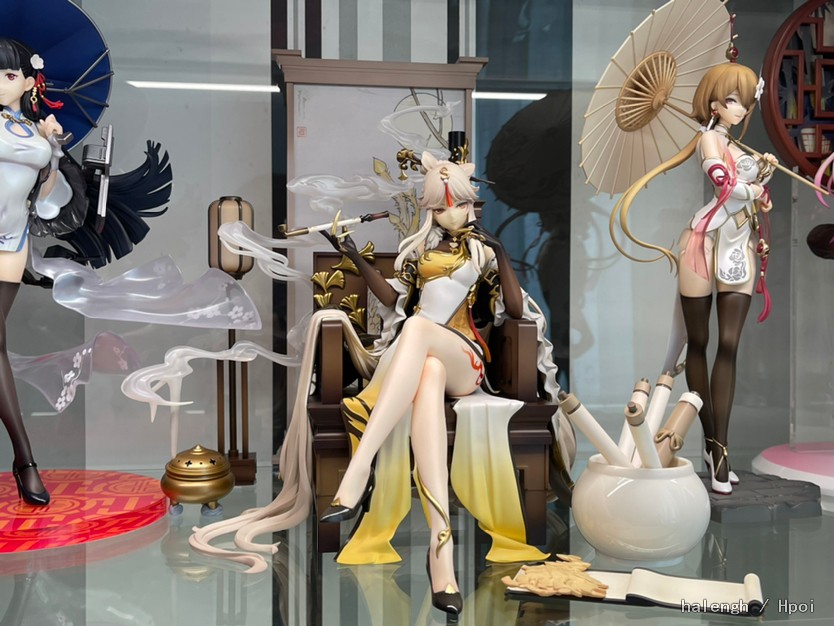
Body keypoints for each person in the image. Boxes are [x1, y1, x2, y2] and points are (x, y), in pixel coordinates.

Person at [611, 62, 777, 495]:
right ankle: (713, 446)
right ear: (714, 104)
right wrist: (756, 187)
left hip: (739, 246)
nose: (739, 108)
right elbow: (724, 185)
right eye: (732, 100)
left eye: (744, 101)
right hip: (703, 242)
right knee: (698, 343)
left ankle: (720, 445)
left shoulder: (738, 145)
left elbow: (749, 194)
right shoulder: (708, 139)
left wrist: (763, 177)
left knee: (730, 344)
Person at [0, 37, 83, 505]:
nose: (0, 82)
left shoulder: (34, 130)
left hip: (11, 243)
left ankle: (24, 459)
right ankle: (25, 458)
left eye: (10, 75)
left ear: (30, 82)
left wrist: (52, 149)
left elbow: (45, 195)